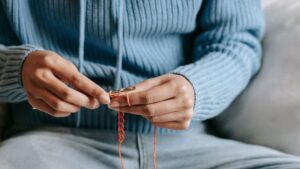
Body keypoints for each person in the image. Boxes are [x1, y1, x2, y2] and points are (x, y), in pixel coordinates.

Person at [1, 0, 300, 168]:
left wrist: (196, 89)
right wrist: (17, 69)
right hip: (50, 144)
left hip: (190, 147)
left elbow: (236, 41)